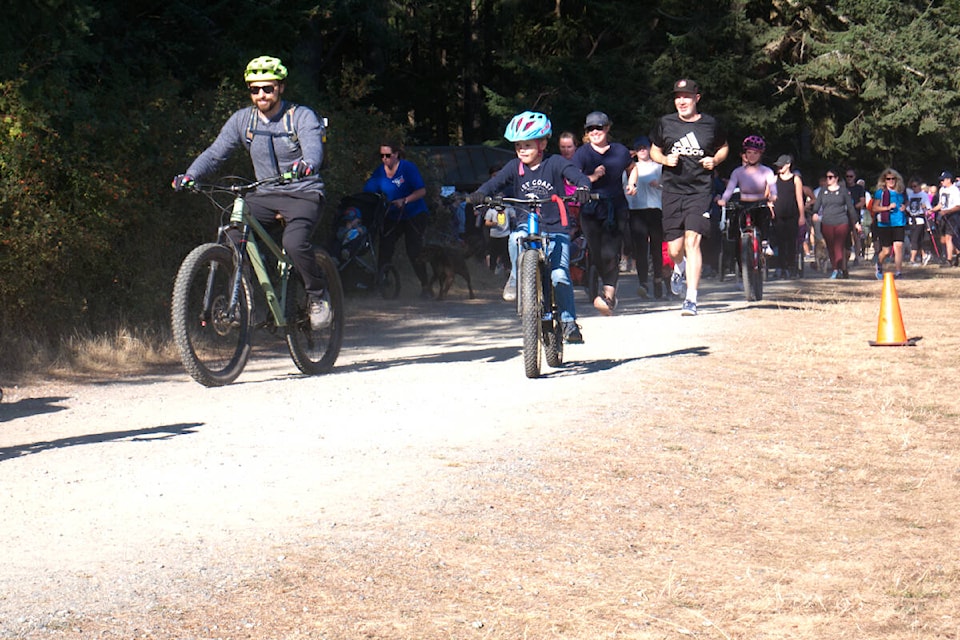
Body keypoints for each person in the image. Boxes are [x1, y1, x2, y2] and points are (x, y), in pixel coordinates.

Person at [172, 55, 331, 329]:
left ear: (280, 87)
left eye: (267, 88)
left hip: (303, 193)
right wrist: (190, 174)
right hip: (265, 194)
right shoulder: (243, 120)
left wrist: (307, 164)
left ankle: (317, 296)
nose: (261, 95)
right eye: (254, 89)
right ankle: (245, 302)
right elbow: (215, 153)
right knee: (234, 236)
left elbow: (313, 149)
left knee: (293, 243)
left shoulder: (301, 116)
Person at [465, 111, 591, 343]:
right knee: (514, 239)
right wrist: (481, 193)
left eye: (528, 145)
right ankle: (515, 276)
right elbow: (495, 183)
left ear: (542, 143)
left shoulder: (555, 162)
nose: (522, 150)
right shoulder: (514, 167)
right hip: (527, 225)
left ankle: (568, 321)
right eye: (518, 146)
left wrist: (583, 187)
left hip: (555, 227)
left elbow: (575, 175)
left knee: (560, 275)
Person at [649, 79, 728, 316]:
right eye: (678, 97)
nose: (681, 101)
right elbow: (654, 149)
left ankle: (691, 298)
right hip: (672, 190)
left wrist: (715, 160)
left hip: (699, 190)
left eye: (686, 96)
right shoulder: (665, 123)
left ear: (697, 98)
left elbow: (724, 147)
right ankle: (679, 266)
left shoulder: (710, 124)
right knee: (675, 249)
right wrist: (664, 160)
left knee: (692, 241)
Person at [573, 111, 636, 315]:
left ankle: (608, 296)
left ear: (607, 128)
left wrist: (633, 183)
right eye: (590, 129)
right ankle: (599, 284)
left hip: (615, 207)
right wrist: (593, 176)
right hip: (590, 208)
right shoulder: (582, 153)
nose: (595, 132)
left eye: (598, 128)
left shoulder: (619, 151)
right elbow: (574, 178)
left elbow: (632, 168)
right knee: (596, 252)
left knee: (610, 253)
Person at [363, 141, 432, 297]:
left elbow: (422, 191)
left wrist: (405, 200)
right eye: (381, 156)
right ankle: (381, 283)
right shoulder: (379, 172)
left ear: (396, 154)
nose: (384, 159)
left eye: (388, 155)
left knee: (414, 250)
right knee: (385, 247)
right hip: (392, 215)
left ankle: (426, 286)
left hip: (414, 214)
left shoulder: (407, 168)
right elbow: (368, 192)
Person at [716, 136, 778, 270]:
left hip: (759, 203)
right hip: (743, 204)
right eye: (749, 152)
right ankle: (741, 263)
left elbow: (772, 186)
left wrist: (773, 195)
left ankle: (765, 243)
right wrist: (724, 199)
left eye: (755, 153)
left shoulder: (766, 171)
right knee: (736, 231)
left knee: (765, 215)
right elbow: (730, 188)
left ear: (760, 154)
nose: (752, 156)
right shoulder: (738, 172)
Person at [623, 136, 664, 298]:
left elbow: (668, 187)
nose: (642, 151)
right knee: (640, 249)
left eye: (644, 148)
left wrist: (659, 185)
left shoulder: (659, 167)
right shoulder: (631, 168)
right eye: (639, 148)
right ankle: (643, 283)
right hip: (637, 210)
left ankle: (658, 280)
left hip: (655, 209)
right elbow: (624, 187)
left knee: (656, 248)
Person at [811, 168, 861, 279]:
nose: (828, 179)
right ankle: (836, 268)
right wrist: (814, 213)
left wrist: (856, 222)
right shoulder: (823, 191)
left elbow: (850, 208)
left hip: (841, 221)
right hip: (827, 222)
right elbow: (817, 205)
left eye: (831, 177)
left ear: (836, 178)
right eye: (827, 177)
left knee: (839, 246)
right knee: (831, 247)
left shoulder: (843, 191)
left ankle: (837, 269)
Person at [771, 154, 806, 278]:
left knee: (791, 242)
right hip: (778, 214)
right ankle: (780, 267)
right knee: (779, 242)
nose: (779, 167)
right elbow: (768, 194)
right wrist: (770, 203)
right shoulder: (775, 179)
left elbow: (799, 198)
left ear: (788, 164)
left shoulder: (795, 179)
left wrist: (802, 216)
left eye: (781, 165)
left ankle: (791, 266)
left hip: (792, 214)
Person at [871, 169, 907, 278]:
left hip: (899, 222)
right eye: (888, 179)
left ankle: (898, 272)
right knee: (886, 251)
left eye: (893, 179)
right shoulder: (880, 193)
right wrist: (887, 207)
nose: (891, 181)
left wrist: (905, 206)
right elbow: (874, 208)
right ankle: (879, 264)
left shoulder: (901, 191)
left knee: (899, 246)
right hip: (885, 223)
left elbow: (906, 201)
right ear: (884, 180)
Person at [931, 171, 960, 267]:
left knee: (949, 237)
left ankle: (949, 260)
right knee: (943, 239)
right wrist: (932, 210)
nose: (941, 182)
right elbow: (941, 204)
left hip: (952, 216)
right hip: (943, 216)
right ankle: (957, 253)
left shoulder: (955, 190)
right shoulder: (942, 190)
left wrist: (947, 211)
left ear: (948, 180)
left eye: (943, 180)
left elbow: (958, 206)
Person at [905, 177, 933, 266]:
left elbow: (929, 208)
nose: (914, 188)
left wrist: (926, 209)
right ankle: (924, 255)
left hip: (920, 220)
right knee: (917, 240)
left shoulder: (923, 195)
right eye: (912, 186)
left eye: (915, 186)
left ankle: (912, 259)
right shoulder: (910, 195)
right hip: (912, 220)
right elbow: (908, 208)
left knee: (914, 240)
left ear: (919, 186)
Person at [844, 168, 867, 264]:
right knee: (844, 235)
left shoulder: (859, 188)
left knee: (856, 235)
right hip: (843, 215)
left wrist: (852, 207)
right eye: (847, 176)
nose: (849, 178)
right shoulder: (842, 187)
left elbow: (862, 201)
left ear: (854, 177)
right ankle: (845, 255)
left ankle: (857, 256)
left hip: (854, 214)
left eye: (851, 176)